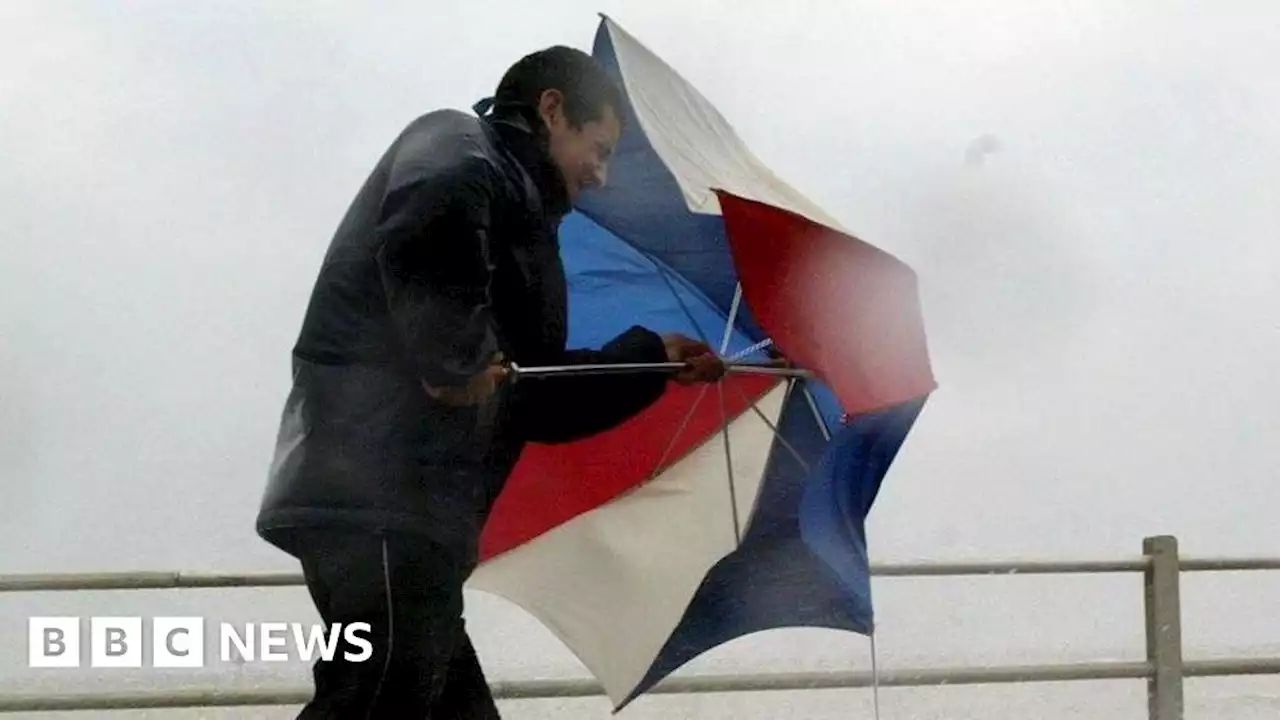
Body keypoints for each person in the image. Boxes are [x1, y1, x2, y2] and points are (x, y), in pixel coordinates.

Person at [255, 44, 725, 719]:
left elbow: (526, 392)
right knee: (377, 700)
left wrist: (653, 359)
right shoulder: (458, 144)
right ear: (552, 110)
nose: (601, 174)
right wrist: (455, 361)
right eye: (599, 147)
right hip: (379, 495)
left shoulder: (523, 220)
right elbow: (430, 212)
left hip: (419, 514)